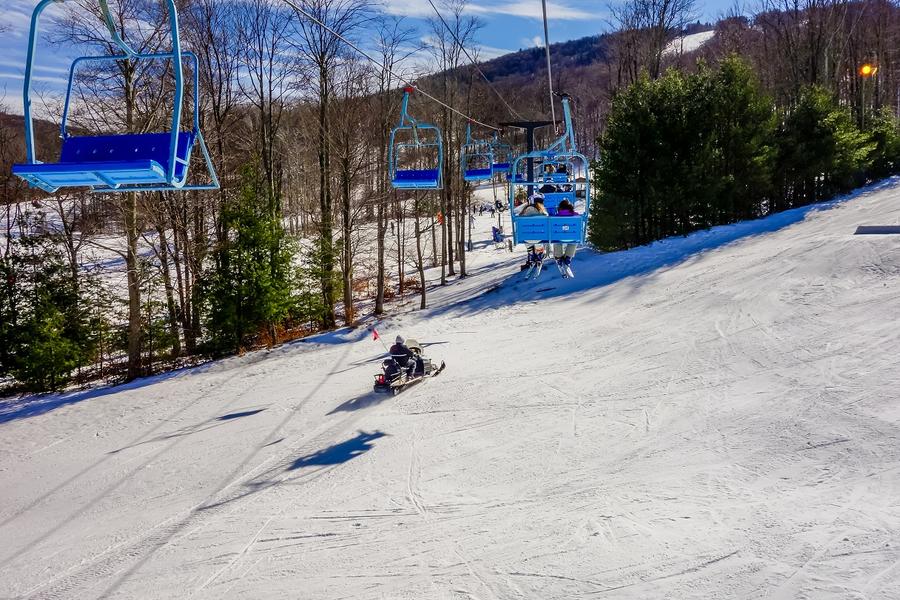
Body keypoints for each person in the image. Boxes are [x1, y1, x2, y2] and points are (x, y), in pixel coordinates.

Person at [552, 199, 578, 267]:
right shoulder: (576, 215)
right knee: (574, 241)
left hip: (560, 237)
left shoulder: (556, 216)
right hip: (571, 237)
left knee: (557, 240)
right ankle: (568, 257)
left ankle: (558, 257)